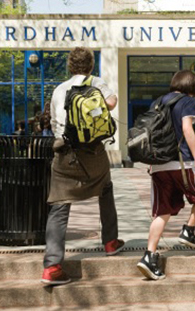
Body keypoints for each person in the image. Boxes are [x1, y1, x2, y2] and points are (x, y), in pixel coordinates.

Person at [41, 47, 124, 286]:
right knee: (105, 189)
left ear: (69, 66)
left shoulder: (59, 90)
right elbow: (111, 102)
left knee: (59, 206)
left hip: (64, 153)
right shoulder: (96, 82)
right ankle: (110, 242)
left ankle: (53, 266)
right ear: (90, 66)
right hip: (93, 153)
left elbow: (56, 121)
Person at [136, 70, 195, 281]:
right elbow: (188, 129)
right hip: (182, 163)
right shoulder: (186, 101)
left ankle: (148, 256)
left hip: (158, 165)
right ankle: (188, 230)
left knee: (162, 212)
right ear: (192, 87)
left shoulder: (157, 102)